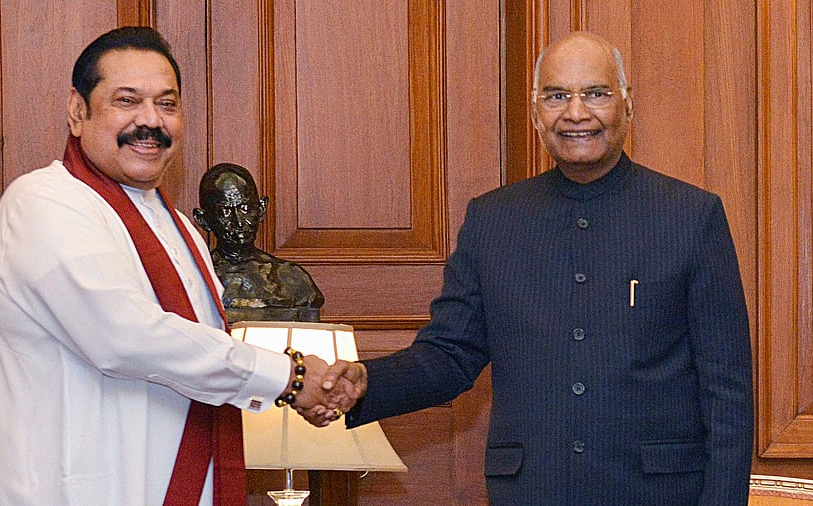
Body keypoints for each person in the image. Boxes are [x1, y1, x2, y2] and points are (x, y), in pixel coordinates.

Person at [304, 31, 755, 505]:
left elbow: (726, 391)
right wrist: (367, 383)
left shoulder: (690, 216)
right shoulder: (493, 220)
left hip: (658, 493)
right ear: (536, 111)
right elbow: (449, 355)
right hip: (533, 490)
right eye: (557, 95)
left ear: (627, 104)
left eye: (596, 94)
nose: (576, 114)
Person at [0, 26, 349, 505]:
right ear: (77, 110)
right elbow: (126, 337)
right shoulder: (43, 202)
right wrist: (290, 378)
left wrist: (305, 383)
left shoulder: (180, 228)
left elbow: (198, 353)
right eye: (127, 101)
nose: (150, 121)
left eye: (167, 104)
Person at [193, 163, 324, 323]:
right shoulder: (193, 280)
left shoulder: (292, 279)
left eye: (245, 208)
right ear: (204, 220)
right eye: (225, 212)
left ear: (261, 209)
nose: (238, 222)